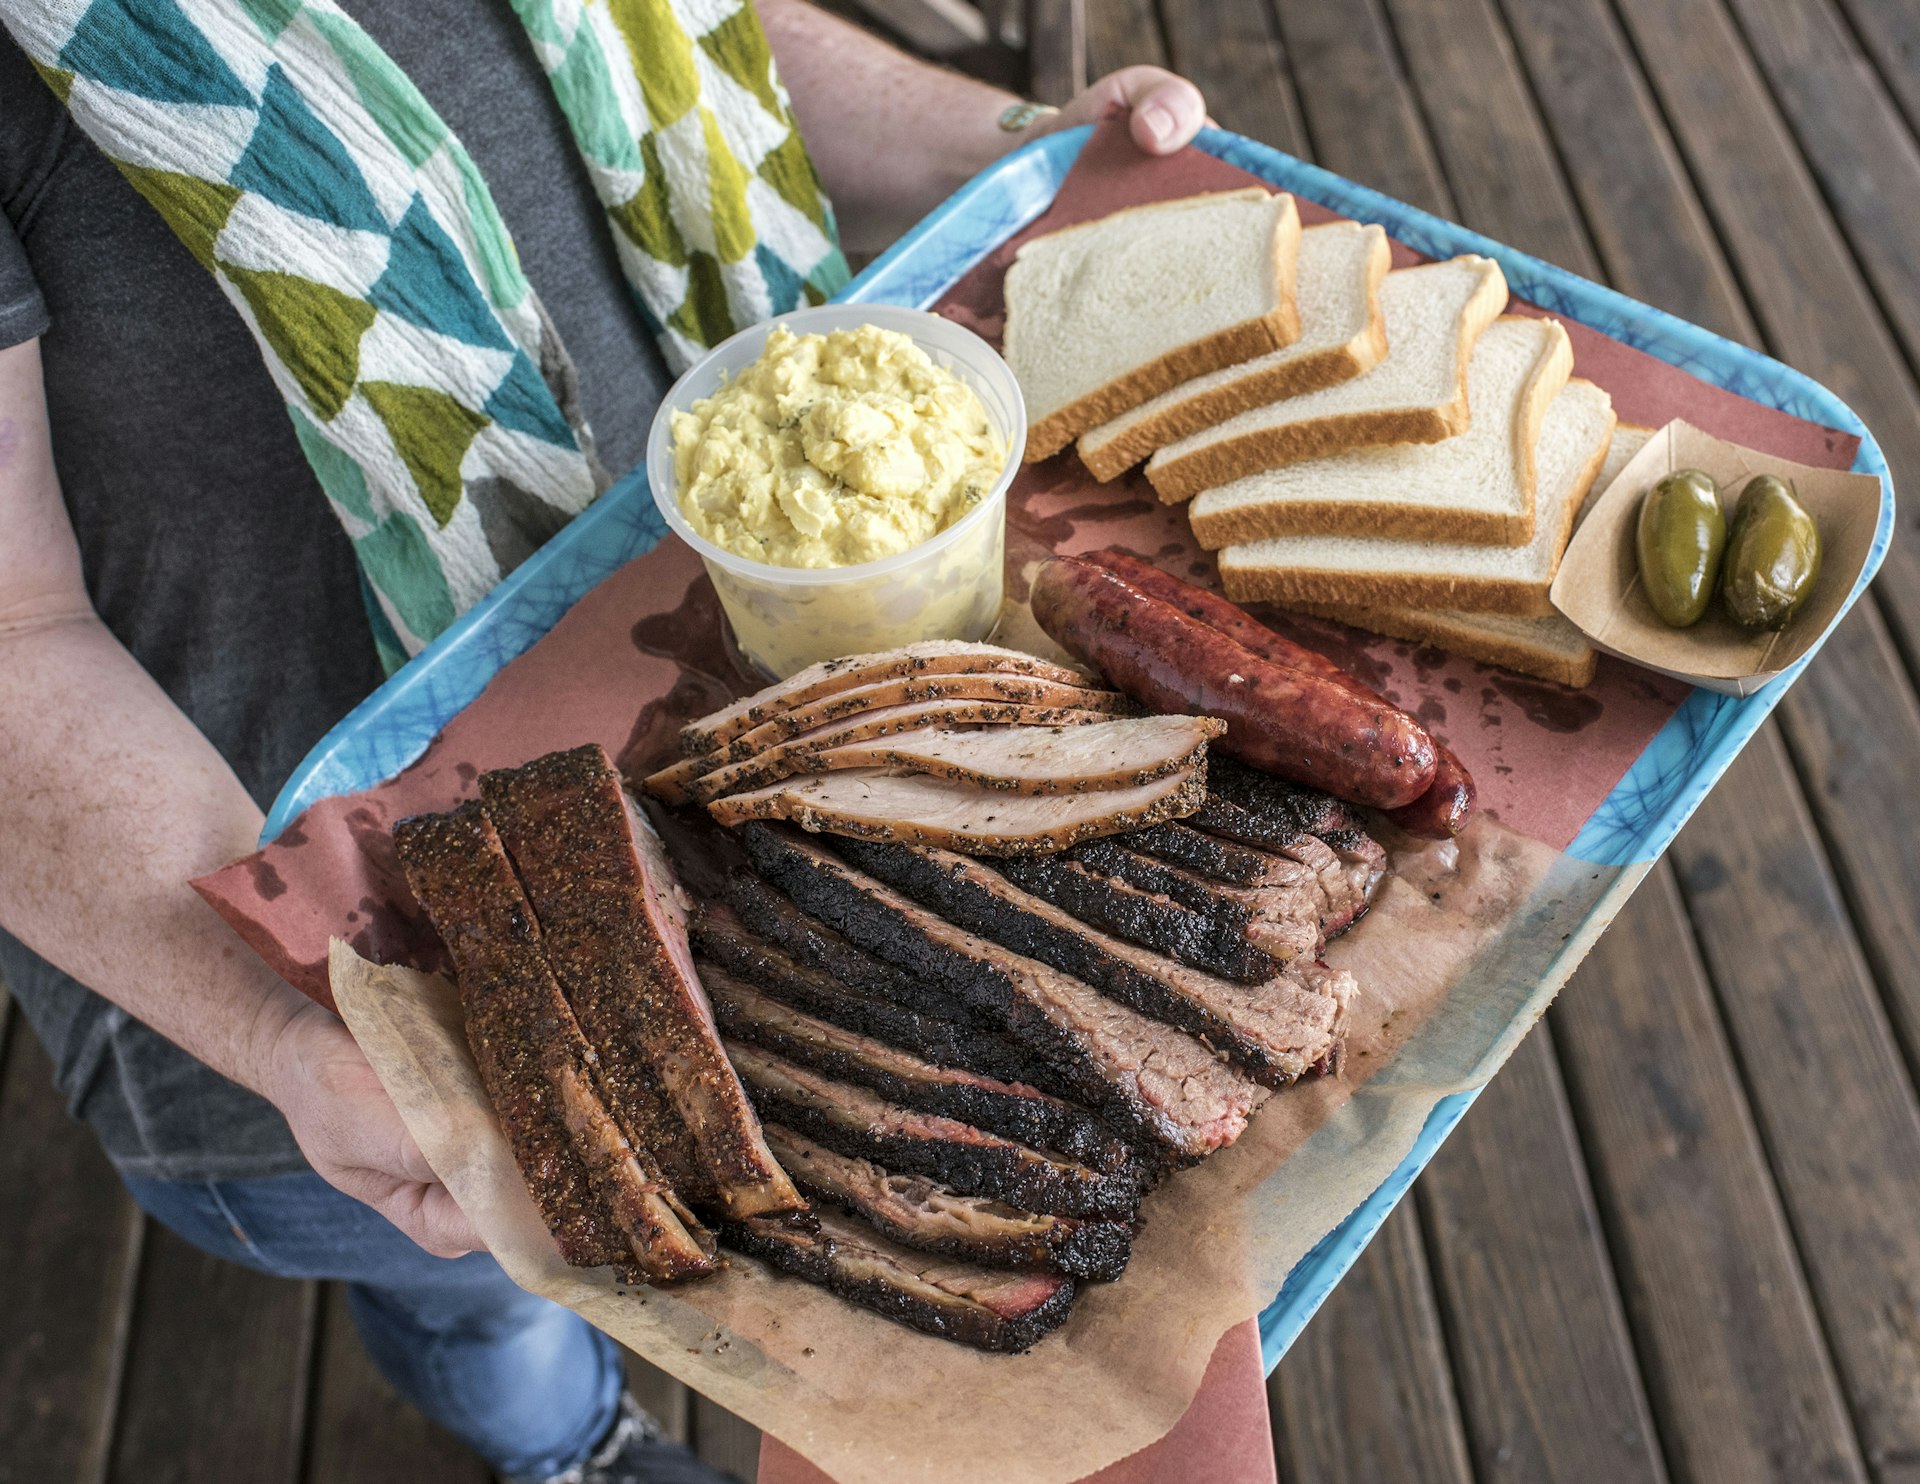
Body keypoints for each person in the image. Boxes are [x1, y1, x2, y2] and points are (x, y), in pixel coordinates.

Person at [0, 4, 1206, 1479]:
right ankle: (569, 1449)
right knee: (481, 1301)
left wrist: (1006, 141)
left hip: (700, 726)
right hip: (304, 993)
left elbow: (712, 32)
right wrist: (280, 1040)